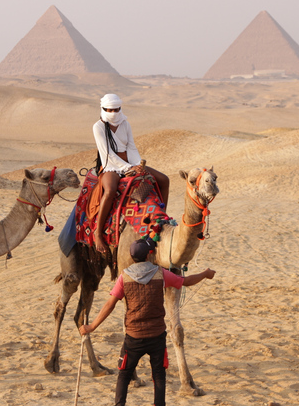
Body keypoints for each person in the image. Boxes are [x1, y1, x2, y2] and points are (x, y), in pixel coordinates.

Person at [79, 238, 216, 406]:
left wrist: (91, 326)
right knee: (159, 375)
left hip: (133, 338)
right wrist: (205, 274)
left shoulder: (124, 277)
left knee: (124, 374)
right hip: (157, 337)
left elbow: (110, 304)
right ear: (149, 255)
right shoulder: (160, 273)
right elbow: (185, 281)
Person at [92, 93, 169, 253]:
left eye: (116, 109)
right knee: (111, 190)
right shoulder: (98, 127)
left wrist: (137, 165)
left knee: (163, 180)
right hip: (110, 165)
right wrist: (128, 168)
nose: (113, 113)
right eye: (110, 110)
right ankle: (98, 233)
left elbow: (131, 147)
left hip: (130, 162)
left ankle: (161, 218)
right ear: (103, 109)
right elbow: (107, 154)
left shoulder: (125, 124)